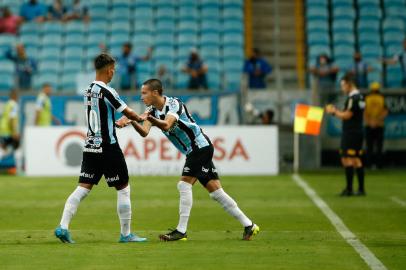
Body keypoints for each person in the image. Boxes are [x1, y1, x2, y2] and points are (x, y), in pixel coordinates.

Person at [116, 78, 259, 241]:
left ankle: (181, 231)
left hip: (200, 147)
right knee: (216, 192)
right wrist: (133, 121)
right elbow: (144, 133)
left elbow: (167, 125)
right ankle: (249, 225)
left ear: (155, 93)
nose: (141, 96)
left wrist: (146, 118)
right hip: (194, 151)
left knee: (183, 184)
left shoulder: (173, 104)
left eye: (144, 93)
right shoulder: (152, 110)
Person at [54, 53, 147, 244]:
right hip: (108, 146)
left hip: (90, 145)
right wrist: (141, 118)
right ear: (109, 70)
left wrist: (117, 122)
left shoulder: (88, 90)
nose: (114, 73)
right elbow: (127, 112)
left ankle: (63, 226)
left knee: (82, 188)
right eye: (113, 70)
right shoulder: (108, 91)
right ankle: (126, 234)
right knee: (123, 188)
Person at [325, 73, 366, 196]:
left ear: (349, 84)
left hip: (351, 132)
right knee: (356, 159)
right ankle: (360, 189)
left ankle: (349, 189)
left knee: (347, 158)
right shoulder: (361, 97)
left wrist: (333, 112)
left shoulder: (353, 98)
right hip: (356, 131)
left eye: (343, 85)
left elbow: (347, 115)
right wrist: (338, 110)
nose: (342, 88)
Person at [364, 82, 388, 168]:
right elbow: (385, 112)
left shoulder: (366, 98)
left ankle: (369, 164)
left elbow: (364, 112)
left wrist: (370, 122)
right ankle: (379, 165)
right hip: (379, 125)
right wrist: (377, 121)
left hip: (369, 125)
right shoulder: (382, 98)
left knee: (369, 146)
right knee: (379, 146)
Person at [0, 90, 20, 158]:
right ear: (15, 96)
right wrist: (14, 132)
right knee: (17, 147)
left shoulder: (7, 104)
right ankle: (18, 167)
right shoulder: (14, 105)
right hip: (8, 130)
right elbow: (11, 119)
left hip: (2, 129)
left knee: (3, 147)